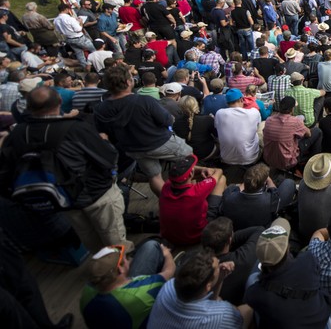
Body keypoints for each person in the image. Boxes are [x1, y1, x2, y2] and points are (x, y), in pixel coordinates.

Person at [0, 86, 129, 252]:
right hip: (96, 194)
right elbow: (108, 157)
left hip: (64, 199)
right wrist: (103, 141)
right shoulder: (75, 128)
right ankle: (120, 269)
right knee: (115, 239)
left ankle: (104, 266)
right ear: (60, 102)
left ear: (29, 107)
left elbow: (7, 172)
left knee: (91, 242)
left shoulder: (16, 134)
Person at [94, 65, 191, 196]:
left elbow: (103, 134)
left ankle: (168, 201)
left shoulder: (101, 108)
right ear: (129, 82)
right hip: (159, 142)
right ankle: (187, 197)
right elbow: (167, 120)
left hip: (133, 150)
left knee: (154, 176)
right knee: (190, 157)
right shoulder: (144, 101)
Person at [80, 240, 176, 329]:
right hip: (141, 315)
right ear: (120, 269)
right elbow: (169, 270)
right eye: (124, 258)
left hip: (119, 316)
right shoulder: (141, 292)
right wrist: (167, 254)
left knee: (150, 246)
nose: (128, 259)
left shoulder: (86, 293)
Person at [149, 248, 253, 327]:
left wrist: (219, 278)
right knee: (248, 310)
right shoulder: (221, 315)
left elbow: (212, 301)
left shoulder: (168, 287)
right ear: (208, 286)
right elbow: (237, 318)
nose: (219, 261)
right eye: (217, 265)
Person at [159, 154, 226, 247]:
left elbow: (187, 178)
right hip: (196, 237)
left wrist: (202, 170)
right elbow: (219, 171)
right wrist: (205, 168)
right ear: (191, 173)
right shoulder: (197, 192)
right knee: (221, 179)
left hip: (170, 237)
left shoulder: (166, 186)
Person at [200, 217, 264, 306]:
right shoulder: (243, 259)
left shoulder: (193, 263)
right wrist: (229, 237)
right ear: (230, 240)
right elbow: (259, 230)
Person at [218, 163, 295, 230]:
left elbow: (236, 188)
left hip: (235, 226)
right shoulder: (270, 200)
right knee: (289, 183)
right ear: (264, 183)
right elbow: (275, 192)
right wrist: (269, 180)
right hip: (261, 227)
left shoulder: (229, 196)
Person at [262, 95, 321, 172]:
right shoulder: (295, 121)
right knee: (317, 131)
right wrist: (301, 126)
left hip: (269, 159)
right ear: (292, 109)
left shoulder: (269, 120)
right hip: (288, 162)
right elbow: (308, 134)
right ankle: (313, 164)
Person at [214, 88, 261, 167]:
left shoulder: (219, 113)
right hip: (250, 158)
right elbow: (257, 125)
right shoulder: (253, 112)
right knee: (262, 125)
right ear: (241, 99)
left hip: (226, 158)